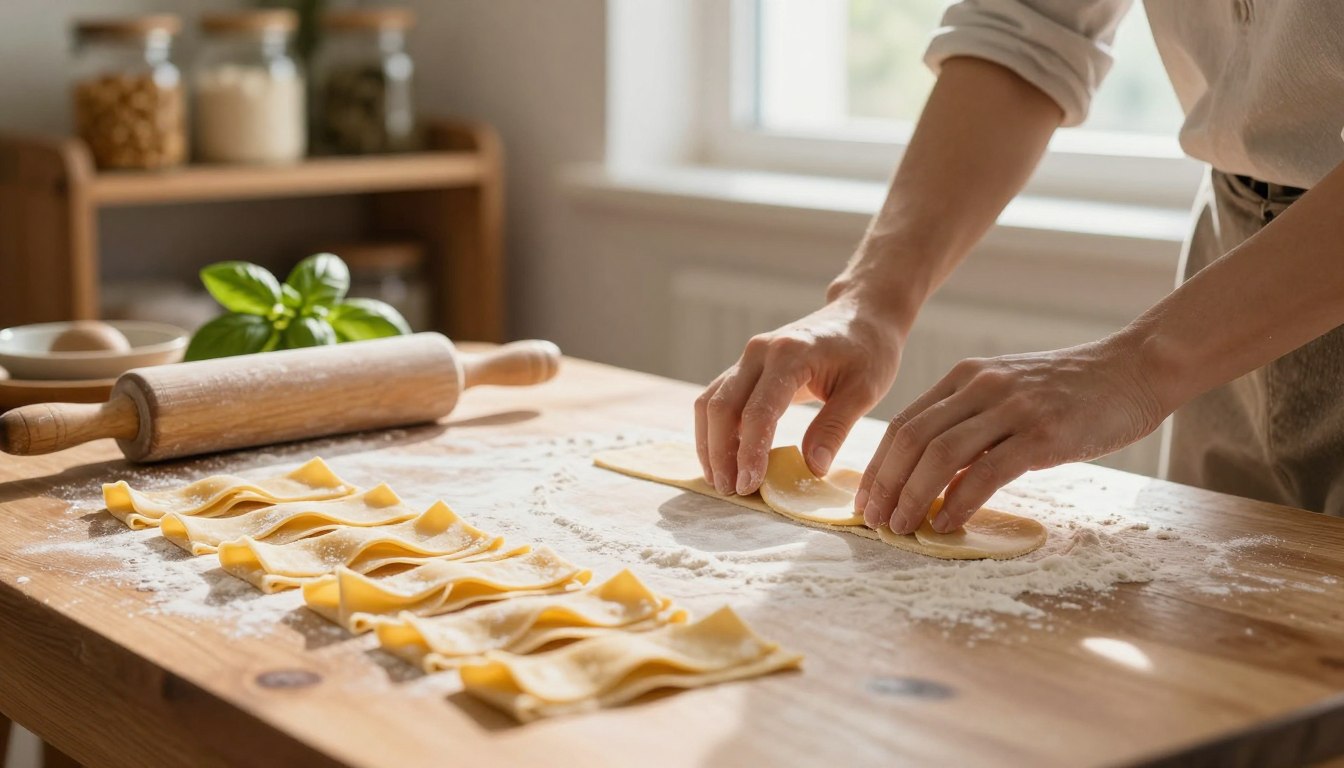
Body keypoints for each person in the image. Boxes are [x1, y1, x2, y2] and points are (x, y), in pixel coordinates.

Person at [694, 0, 1344, 535]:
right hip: (1232, 255)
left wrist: (1139, 368)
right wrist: (871, 300)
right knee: (1227, 649)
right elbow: (1027, 26)